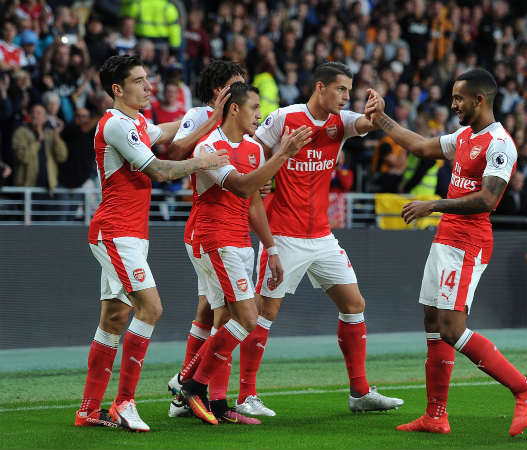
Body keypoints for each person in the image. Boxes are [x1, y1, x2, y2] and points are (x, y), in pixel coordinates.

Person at [365, 67, 527, 436]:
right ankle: (435, 415)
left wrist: (433, 206)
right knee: (433, 324)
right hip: (446, 239)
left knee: (451, 327)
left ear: (479, 100)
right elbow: (418, 145)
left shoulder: (500, 143)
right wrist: (379, 117)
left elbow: (488, 198)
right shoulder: (465, 136)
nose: (453, 105)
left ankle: (526, 389)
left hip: (469, 243)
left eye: (458, 98)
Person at [74, 55, 229, 432]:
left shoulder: (138, 122)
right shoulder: (115, 125)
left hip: (130, 235)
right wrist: (201, 161)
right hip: (114, 233)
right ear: (118, 89)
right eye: (140, 81)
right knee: (151, 308)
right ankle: (124, 402)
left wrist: (210, 117)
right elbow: (160, 169)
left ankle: (89, 410)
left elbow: (168, 131)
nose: (148, 87)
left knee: (114, 319)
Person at [243, 61, 404, 416]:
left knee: (354, 304)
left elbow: (365, 123)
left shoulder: (340, 122)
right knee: (263, 313)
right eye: (341, 89)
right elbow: (249, 151)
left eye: (350, 91)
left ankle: (360, 393)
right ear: (321, 87)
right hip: (283, 235)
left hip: (322, 236)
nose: (347, 96)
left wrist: (376, 111)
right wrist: (262, 177)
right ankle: (246, 396)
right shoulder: (284, 118)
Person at [178, 82, 312, 425]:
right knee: (248, 317)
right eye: (254, 108)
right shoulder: (209, 146)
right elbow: (240, 185)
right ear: (234, 109)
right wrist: (283, 155)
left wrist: (271, 248)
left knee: (226, 319)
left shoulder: (253, 148)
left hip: (240, 240)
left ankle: (218, 404)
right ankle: (192, 386)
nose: (260, 115)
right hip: (214, 238)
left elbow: (253, 201)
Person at [163, 59, 245, 418]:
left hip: (226, 222)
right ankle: (188, 383)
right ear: (218, 90)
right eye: (235, 85)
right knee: (229, 311)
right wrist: (212, 121)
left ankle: (181, 398)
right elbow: (175, 153)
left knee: (208, 309)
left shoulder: (239, 120)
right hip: (206, 221)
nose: (242, 92)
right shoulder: (199, 115)